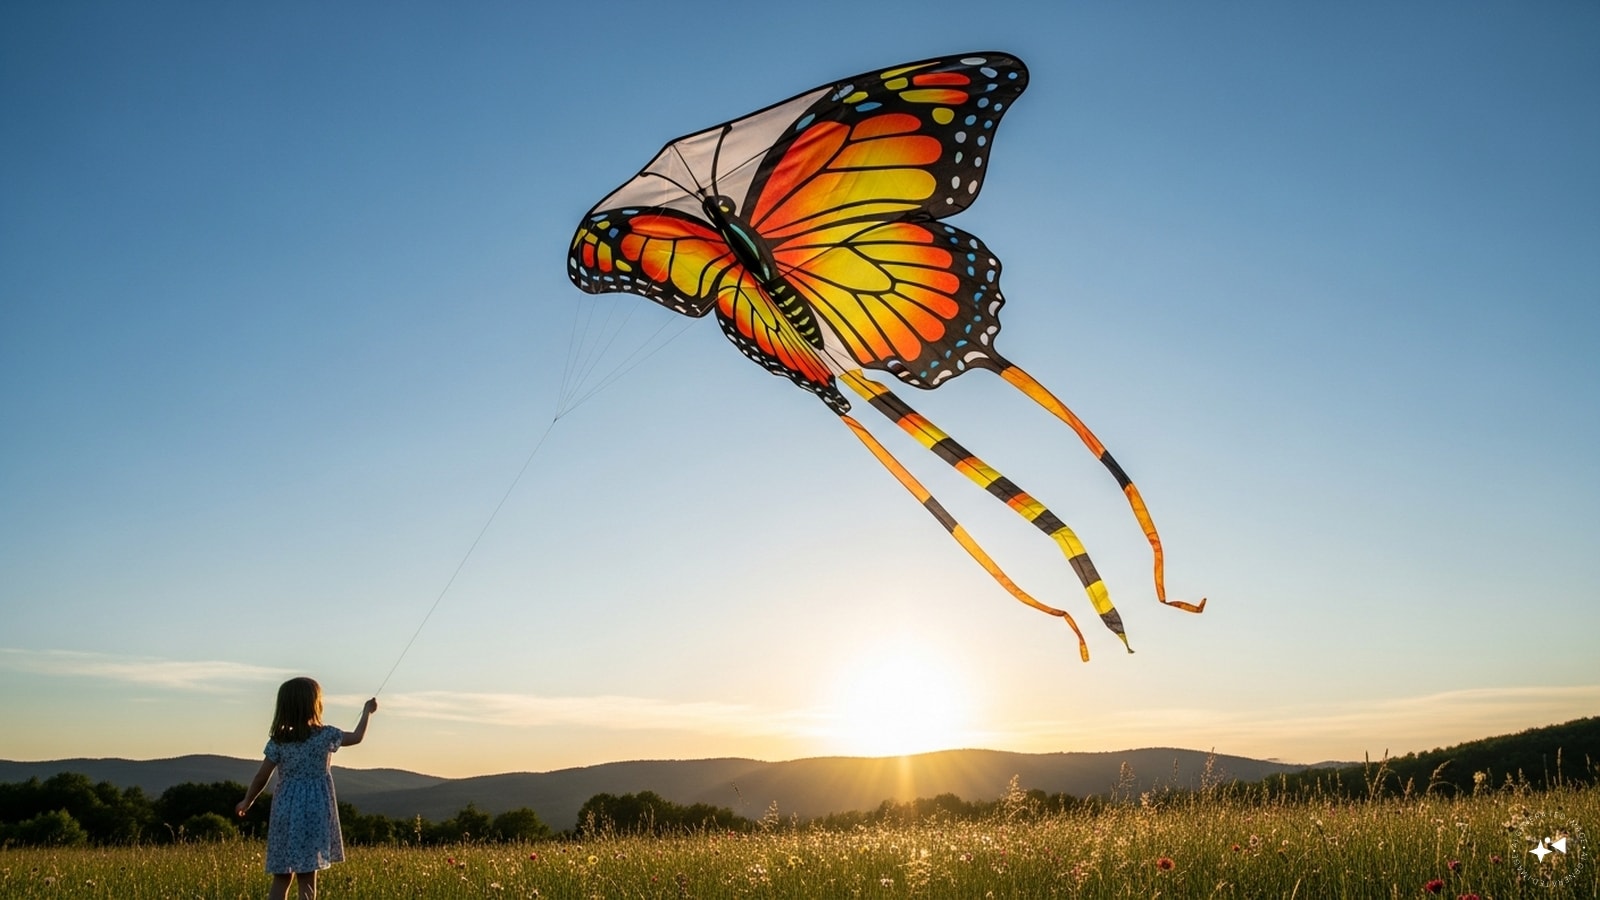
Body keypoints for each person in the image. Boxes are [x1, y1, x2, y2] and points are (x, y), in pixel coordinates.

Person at [236, 677, 377, 900]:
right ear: (315, 704)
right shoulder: (325, 735)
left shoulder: (279, 740)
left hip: (285, 811)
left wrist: (247, 801)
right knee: (307, 875)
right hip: (314, 812)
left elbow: (262, 775)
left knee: (281, 875)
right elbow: (357, 737)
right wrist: (367, 711)